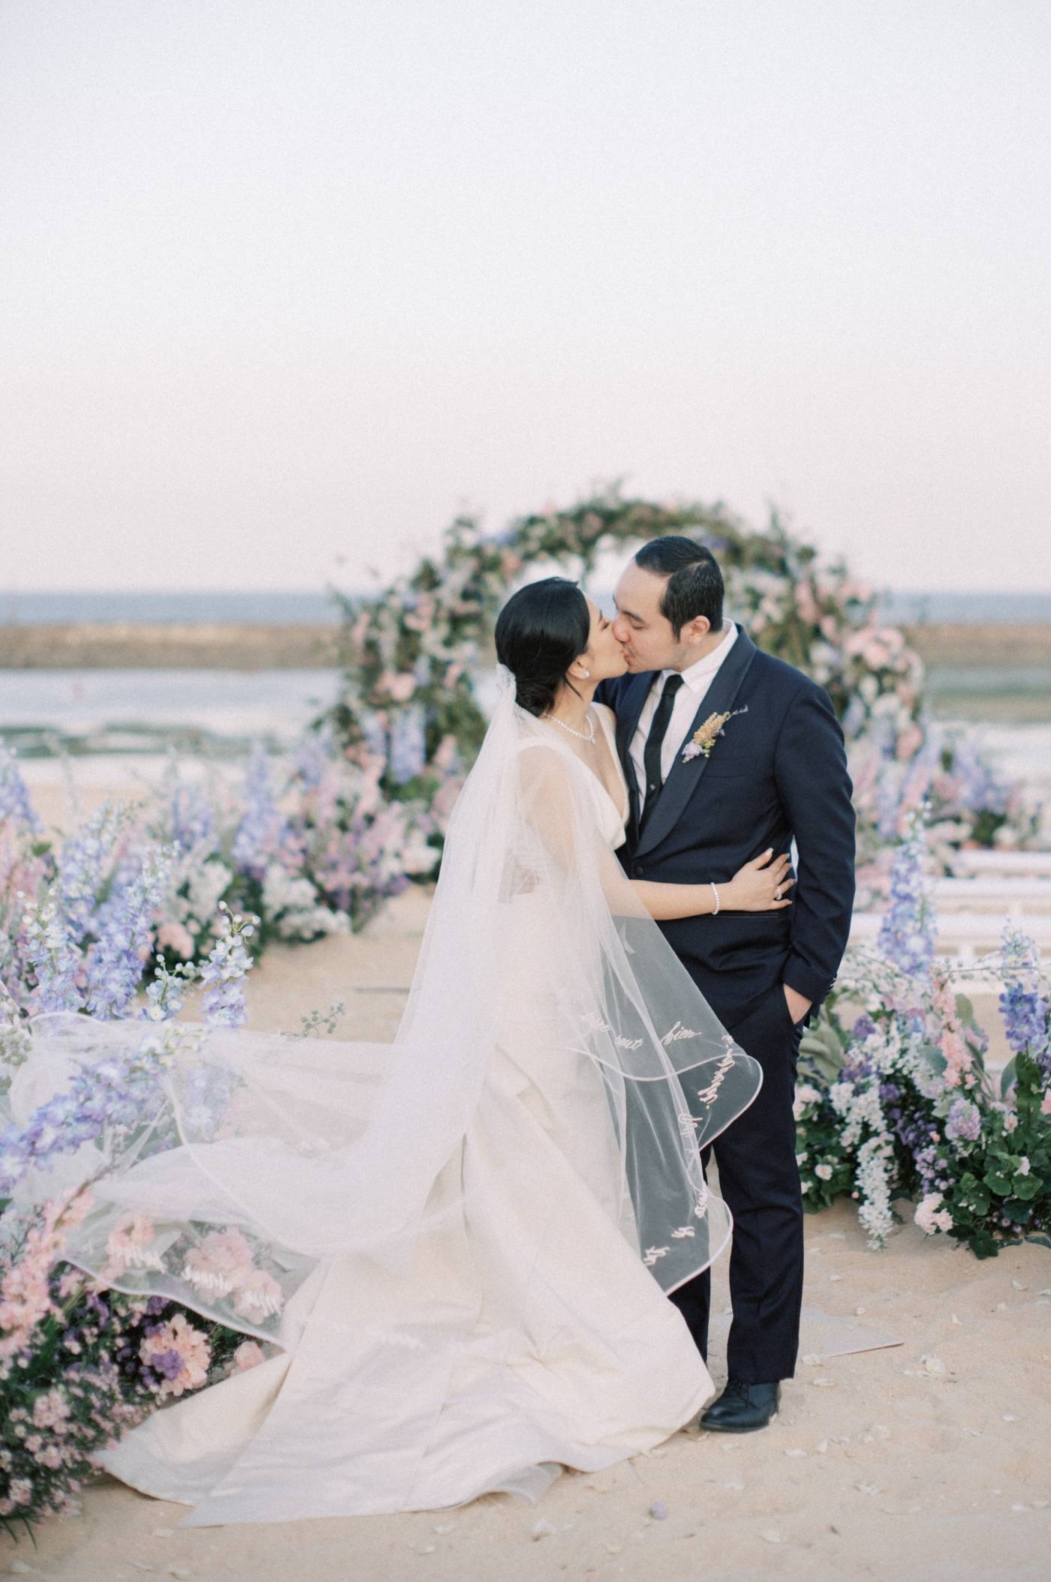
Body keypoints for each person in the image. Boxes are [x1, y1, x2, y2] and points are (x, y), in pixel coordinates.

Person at [6, 577, 823, 1526]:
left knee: (576, 1147)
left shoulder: (605, 718)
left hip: (579, 978)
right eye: (603, 623)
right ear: (567, 660)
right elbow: (604, 892)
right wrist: (731, 895)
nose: (616, 628)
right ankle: (553, 1318)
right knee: (529, 1140)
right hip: (530, 982)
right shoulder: (535, 763)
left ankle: (598, 1306)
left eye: (622, 614)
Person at [597, 536, 857, 1433]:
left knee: (759, 1191)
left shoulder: (786, 702)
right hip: (639, 988)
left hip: (746, 993)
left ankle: (756, 1373)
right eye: (617, 610)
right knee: (661, 1192)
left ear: (695, 625)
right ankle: (673, 1365)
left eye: (636, 619)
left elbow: (830, 858)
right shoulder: (621, 689)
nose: (618, 630)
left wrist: (797, 994)